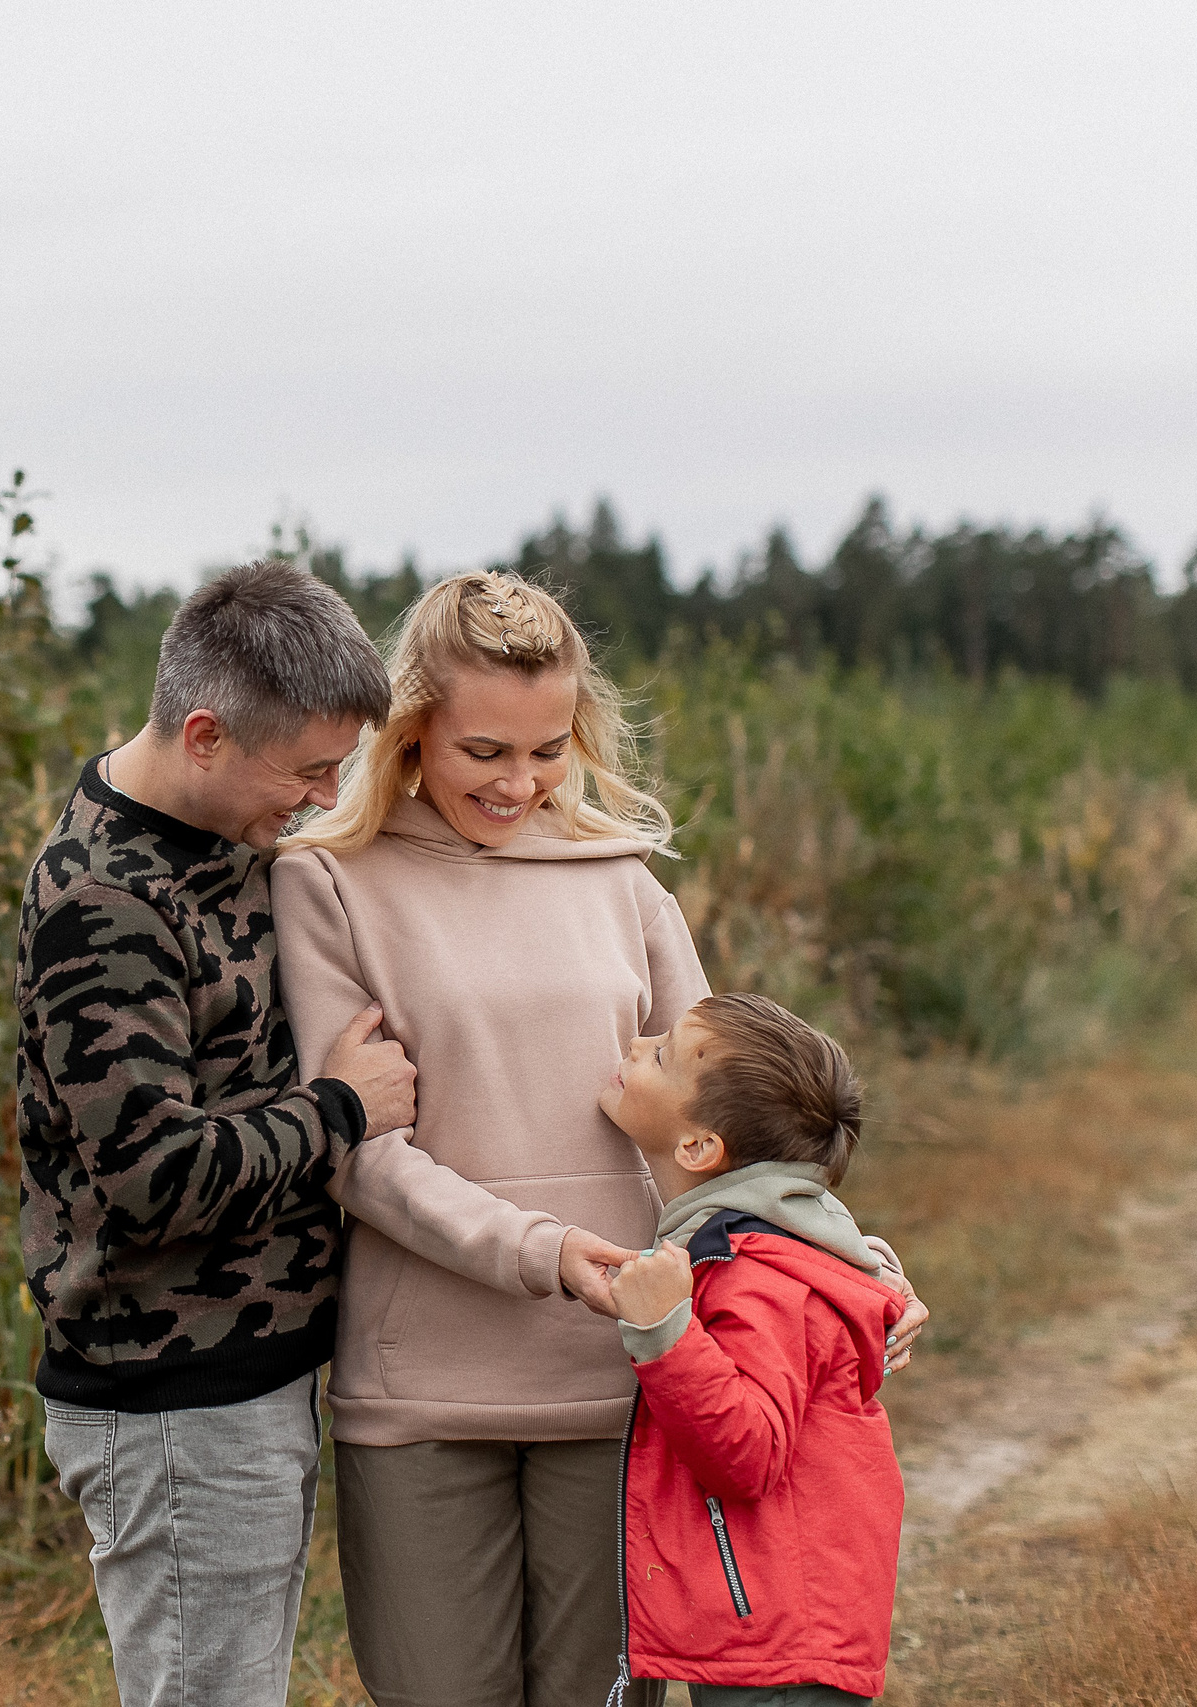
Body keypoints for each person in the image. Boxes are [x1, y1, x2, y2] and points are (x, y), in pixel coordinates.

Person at [271, 571, 926, 1707]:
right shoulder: (327, 878)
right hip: (421, 1391)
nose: (519, 783)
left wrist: (852, 1267)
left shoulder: (620, 878)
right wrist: (545, 1251)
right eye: (485, 751)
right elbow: (355, 1149)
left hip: (628, 1379)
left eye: (547, 748)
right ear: (411, 723)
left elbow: (732, 1124)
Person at [17, 559, 416, 1707]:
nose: (318, 796)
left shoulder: (213, 836)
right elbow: (149, 1174)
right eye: (305, 772)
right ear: (203, 734)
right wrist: (342, 1108)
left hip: (244, 1382)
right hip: (174, 1401)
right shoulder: (107, 900)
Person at [599, 993, 908, 1707]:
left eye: (662, 1053)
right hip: (777, 1627)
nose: (638, 1041)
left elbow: (746, 1448)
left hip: (780, 1646)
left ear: (699, 1147)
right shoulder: (763, 1241)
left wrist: (664, 1330)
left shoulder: (760, 1270)